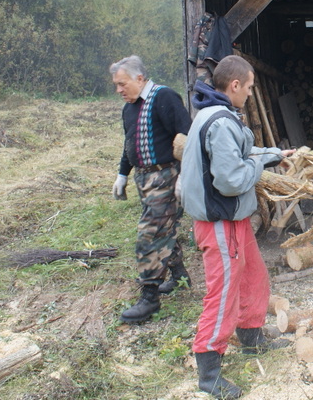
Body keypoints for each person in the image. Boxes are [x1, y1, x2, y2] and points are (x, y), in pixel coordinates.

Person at [178, 55, 294, 399]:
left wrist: (274, 155)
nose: (250, 93)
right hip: (220, 221)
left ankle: (252, 338)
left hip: (233, 220)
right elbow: (231, 180)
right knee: (224, 291)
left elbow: (244, 153)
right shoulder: (221, 121)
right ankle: (209, 370)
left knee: (253, 276)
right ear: (235, 85)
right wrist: (258, 168)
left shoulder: (215, 114)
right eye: (250, 87)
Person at [110, 55, 192, 324]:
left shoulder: (164, 97)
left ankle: (149, 297)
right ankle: (179, 276)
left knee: (150, 233)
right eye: (116, 85)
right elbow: (129, 144)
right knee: (165, 228)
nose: (119, 90)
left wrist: (184, 176)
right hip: (144, 180)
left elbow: (187, 137)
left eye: (122, 84)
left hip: (166, 176)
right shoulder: (129, 109)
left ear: (139, 78)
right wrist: (122, 174)